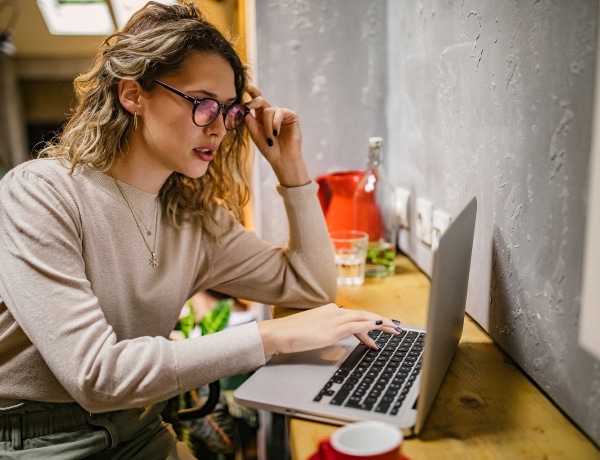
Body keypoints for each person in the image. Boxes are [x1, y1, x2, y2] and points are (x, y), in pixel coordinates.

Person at [0, 2, 401, 458]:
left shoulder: (193, 218)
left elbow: (310, 284)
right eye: (202, 103)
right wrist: (273, 337)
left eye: (228, 111)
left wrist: (291, 170)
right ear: (132, 95)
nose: (219, 129)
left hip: (141, 424)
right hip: (34, 438)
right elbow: (95, 374)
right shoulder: (38, 195)